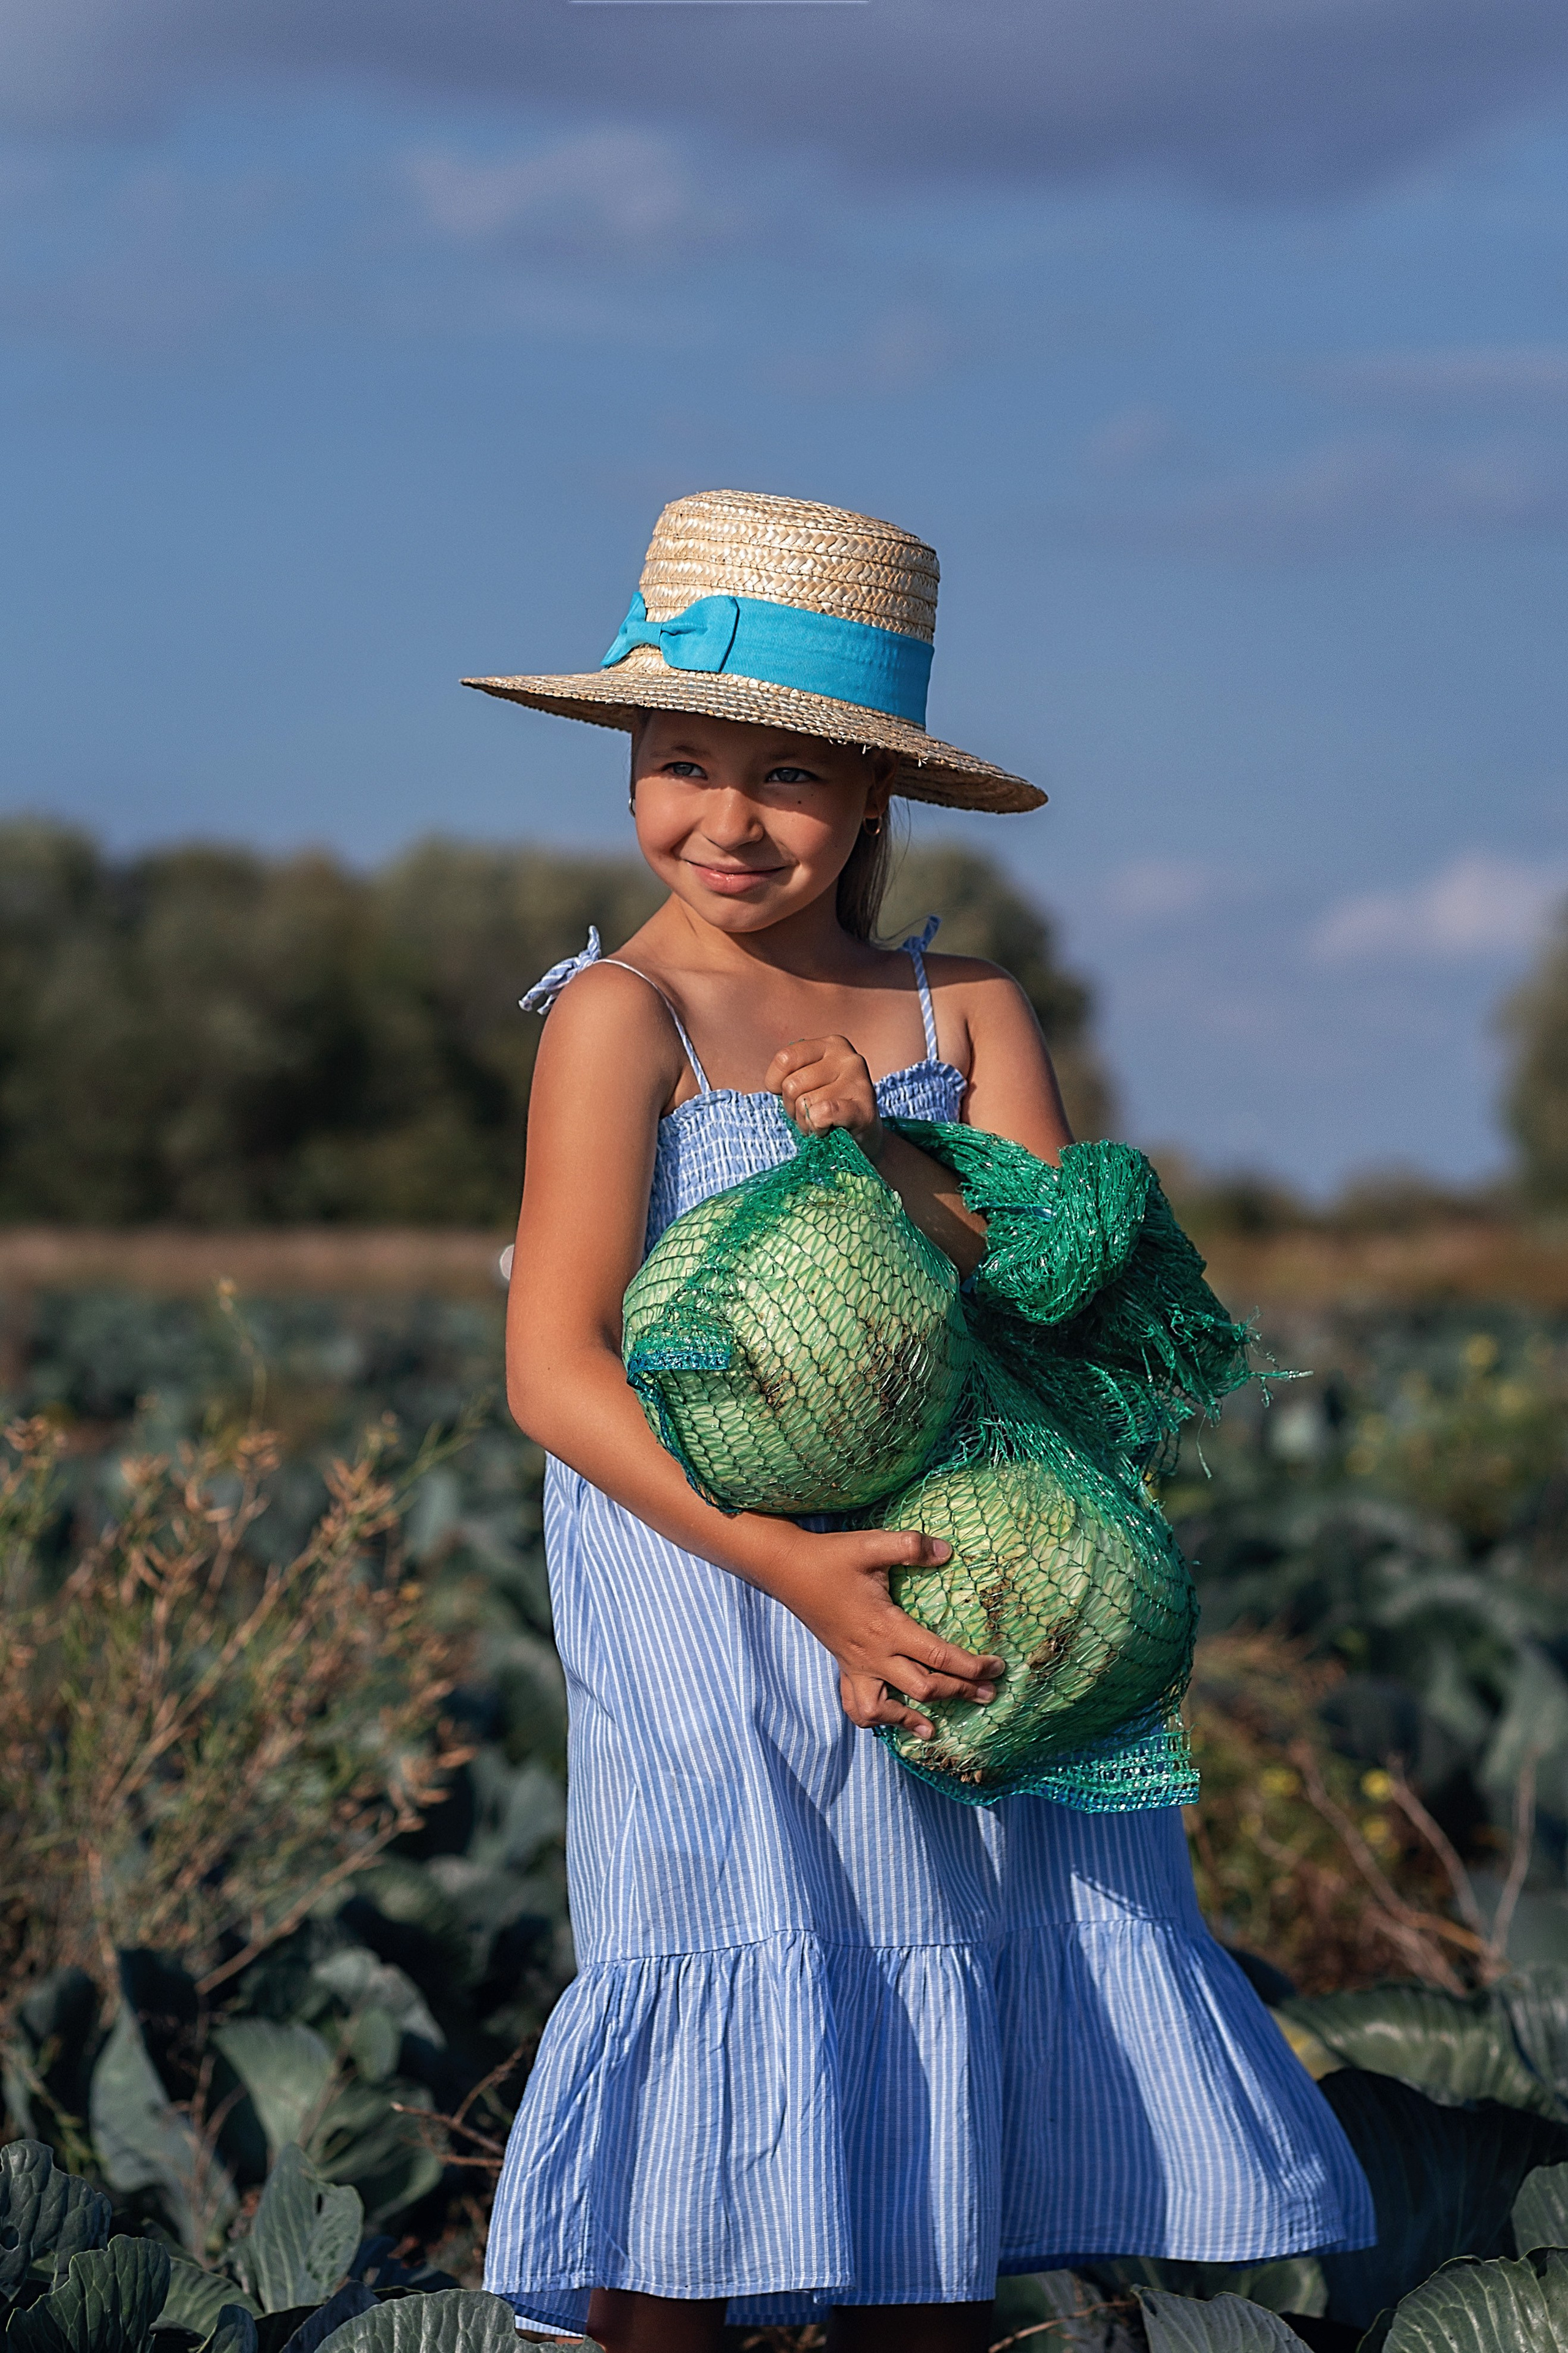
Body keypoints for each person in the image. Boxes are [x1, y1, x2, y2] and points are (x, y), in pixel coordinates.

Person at [472, 491, 1373, 2353]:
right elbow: (552, 1368)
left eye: (790, 777)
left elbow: (1065, 1290)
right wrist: (791, 1571)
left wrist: (889, 1151)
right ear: (631, 766)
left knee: (939, 2078)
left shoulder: (962, 1007)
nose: (730, 822)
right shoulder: (623, 1016)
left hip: (960, 1581)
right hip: (706, 1600)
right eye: (683, 764)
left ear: (878, 791)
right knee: (709, 2047)